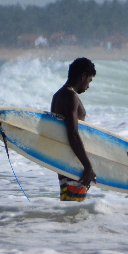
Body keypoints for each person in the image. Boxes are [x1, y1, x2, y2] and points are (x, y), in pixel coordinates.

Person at [51, 58, 97, 201]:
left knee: (69, 205)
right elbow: (72, 133)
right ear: (82, 76)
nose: (88, 85)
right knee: (74, 208)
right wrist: (87, 166)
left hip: (66, 159)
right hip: (73, 160)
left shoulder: (58, 95)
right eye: (89, 80)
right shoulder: (70, 96)